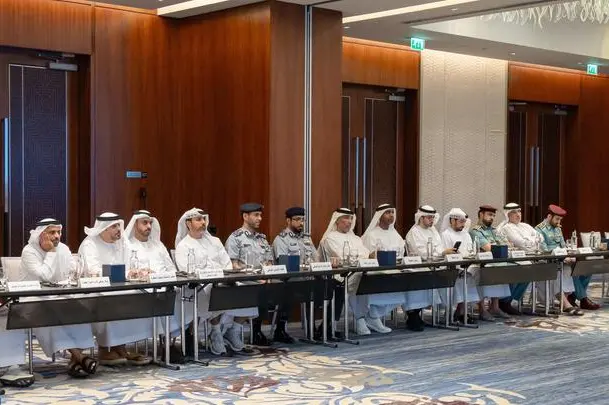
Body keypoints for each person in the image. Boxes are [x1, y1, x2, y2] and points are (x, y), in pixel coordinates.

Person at [18, 218, 97, 378]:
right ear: (41, 234)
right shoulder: (29, 251)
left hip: (58, 296)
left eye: (59, 232)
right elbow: (44, 276)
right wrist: (51, 253)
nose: (57, 236)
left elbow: (73, 273)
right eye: (52, 232)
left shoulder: (64, 249)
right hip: (32, 299)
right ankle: (80, 357)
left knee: (81, 309)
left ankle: (75, 361)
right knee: (49, 315)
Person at [175, 208, 256, 355]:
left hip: (222, 279)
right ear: (188, 223)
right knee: (213, 290)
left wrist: (224, 276)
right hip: (200, 285)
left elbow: (227, 263)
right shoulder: (183, 245)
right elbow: (185, 271)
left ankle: (234, 331)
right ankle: (216, 332)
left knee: (249, 289)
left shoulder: (215, 241)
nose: (203, 222)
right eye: (198, 219)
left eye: (204, 219)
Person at [78, 212, 152, 366]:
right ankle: (104, 349)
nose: (119, 229)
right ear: (103, 229)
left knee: (137, 295)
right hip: (93, 290)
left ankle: (121, 348)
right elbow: (93, 271)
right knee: (111, 299)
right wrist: (126, 273)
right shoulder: (89, 244)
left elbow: (131, 263)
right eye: (114, 226)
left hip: (121, 286)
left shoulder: (122, 241)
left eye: (119, 225)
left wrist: (138, 271)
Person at [124, 210, 191, 361]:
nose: (149, 226)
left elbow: (171, 268)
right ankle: (167, 345)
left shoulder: (158, 245)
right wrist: (140, 273)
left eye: (150, 223)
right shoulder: (127, 246)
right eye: (144, 223)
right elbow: (127, 271)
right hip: (142, 288)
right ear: (135, 224)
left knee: (182, 294)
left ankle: (171, 342)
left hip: (164, 284)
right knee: (160, 297)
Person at [225, 203, 275, 346]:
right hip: (243, 279)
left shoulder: (262, 238)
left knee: (277, 287)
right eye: (256, 215)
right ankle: (235, 330)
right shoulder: (235, 238)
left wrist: (267, 275)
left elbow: (269, 261)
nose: (260, 218)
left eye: (260, 215)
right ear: (245, 216)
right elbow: (233, 265)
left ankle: (259, 329)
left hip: (261, 279)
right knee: (255, 289)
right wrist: (253, 277)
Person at [318, 208, 373, 336]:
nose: (349, 221)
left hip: (356, 272)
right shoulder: (330, 238)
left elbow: (365, 254)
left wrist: (360, 257)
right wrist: (359, 257)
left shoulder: (356, 238)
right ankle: (359, 319)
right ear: (337, 221)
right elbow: (342, 257)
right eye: (346, 218)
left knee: (366, 277)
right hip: (337, 276)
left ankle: (365, 317)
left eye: (351, 218)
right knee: (360, 277)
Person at [536, 204, 599, 311]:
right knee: (571, 271)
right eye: (557, 219)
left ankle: (573, 297)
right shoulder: (539, 229)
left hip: (563, 259)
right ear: (549, 216)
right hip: (550, 261)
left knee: (587, 269)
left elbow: (563, 246)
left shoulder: (557, 228)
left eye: (560, 220)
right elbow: (544, 250)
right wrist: (563, 257)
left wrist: (570, 256)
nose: (559, 222)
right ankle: (583, 299)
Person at [405, 205, 456, 331]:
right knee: (422, 278)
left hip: (435, 264)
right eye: (429, 217)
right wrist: (441, 253)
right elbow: (421, 252)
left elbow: (440, 247)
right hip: (418, 266)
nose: (432, 220)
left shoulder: (433, 230)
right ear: (421, 218)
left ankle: (449, 314)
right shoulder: (414, 232)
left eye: (433, 217)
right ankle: (413, 315)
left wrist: (443, 252)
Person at [271, 206, 317, 342]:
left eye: (302, 220)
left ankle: (318, 327)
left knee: (326, 286)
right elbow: (284, 264)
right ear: (288, 221)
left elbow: (316, 258)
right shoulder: (281, 239)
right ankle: (280, 330)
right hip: (288, 281)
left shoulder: (306, 239)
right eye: (297, 219)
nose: (301, 223)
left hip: (307, 279)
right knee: (289, 291)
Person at [359, 203, 407, 334]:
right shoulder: (371, 235)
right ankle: (373, 316)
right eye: (387, 212)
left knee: (404, 285)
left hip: (394, 269)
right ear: (379, 216)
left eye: (392, 212)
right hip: (375, 272)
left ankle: (373, 316)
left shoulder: (395, 234)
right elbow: (368, 257)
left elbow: (401, 253)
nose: (391, 215)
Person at [469, 205, 512, 321]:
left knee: (502, 268)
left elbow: (508, 245)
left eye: (493, 215)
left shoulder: (494, 230)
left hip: (496, 261)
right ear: (481, 214)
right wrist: (500, 247)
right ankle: (482, 309)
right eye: (489, 215)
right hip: (481, 263)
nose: (492, 217)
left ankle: (495, 307)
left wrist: (502, 246)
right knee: (486, 272)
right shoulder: (475, 231)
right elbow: (488, 248)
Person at [440, 208, 481, 324]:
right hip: (449, 269)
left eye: (464, 222)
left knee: (469, 277)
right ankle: (453, 313)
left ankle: (462, 312)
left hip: (464, 266)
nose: (463, 224)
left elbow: (470, 250)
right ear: (452, 221)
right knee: (460, 280)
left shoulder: (466, 234)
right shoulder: (445, 235)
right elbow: (445, 254)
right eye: (461, 221)